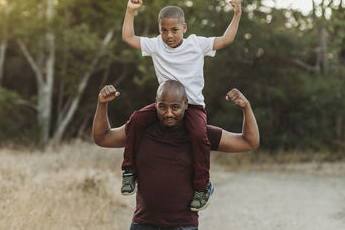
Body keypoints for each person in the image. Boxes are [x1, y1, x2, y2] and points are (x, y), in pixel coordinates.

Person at [121, 0, 242, 211]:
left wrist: (237, 13)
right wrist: (130, 11)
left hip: (193, 106)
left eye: (174, 30)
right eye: (164, 30)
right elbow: (128, 37)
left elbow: (226, 40)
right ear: (159, 30)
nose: (168, 35)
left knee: (198, 135)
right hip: (164, 105)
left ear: (184, 27)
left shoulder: (197, 44)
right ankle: (129, 171)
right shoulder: (156, 45)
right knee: (137, 120)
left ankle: (202, 186)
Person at [92, 81, 259, 229]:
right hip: (142, 224)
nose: (169, 113)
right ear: (155, 104)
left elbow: (249, 142)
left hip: (182, 226)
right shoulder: (140, 130)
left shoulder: (200, 134)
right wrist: (102, 104)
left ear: (186, 105)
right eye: (163, 107)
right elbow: (102, 137)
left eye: (175, 107)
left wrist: (246, 107)